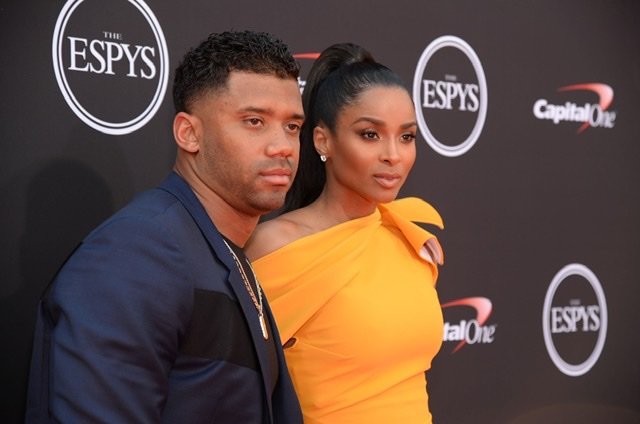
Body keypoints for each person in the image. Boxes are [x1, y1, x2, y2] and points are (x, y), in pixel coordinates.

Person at [25, 30, 304, 423]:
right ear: (189, 133)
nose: (283, 146)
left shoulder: (221, 248)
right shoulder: (135, 253)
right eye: (254, 121)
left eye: (292, 126)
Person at [246, 43, 445, 423]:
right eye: (370, 135)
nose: (394, 155)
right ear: (323, 141)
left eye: (407, 137)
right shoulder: (277, 246)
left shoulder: (409, 239)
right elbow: (234, 384)